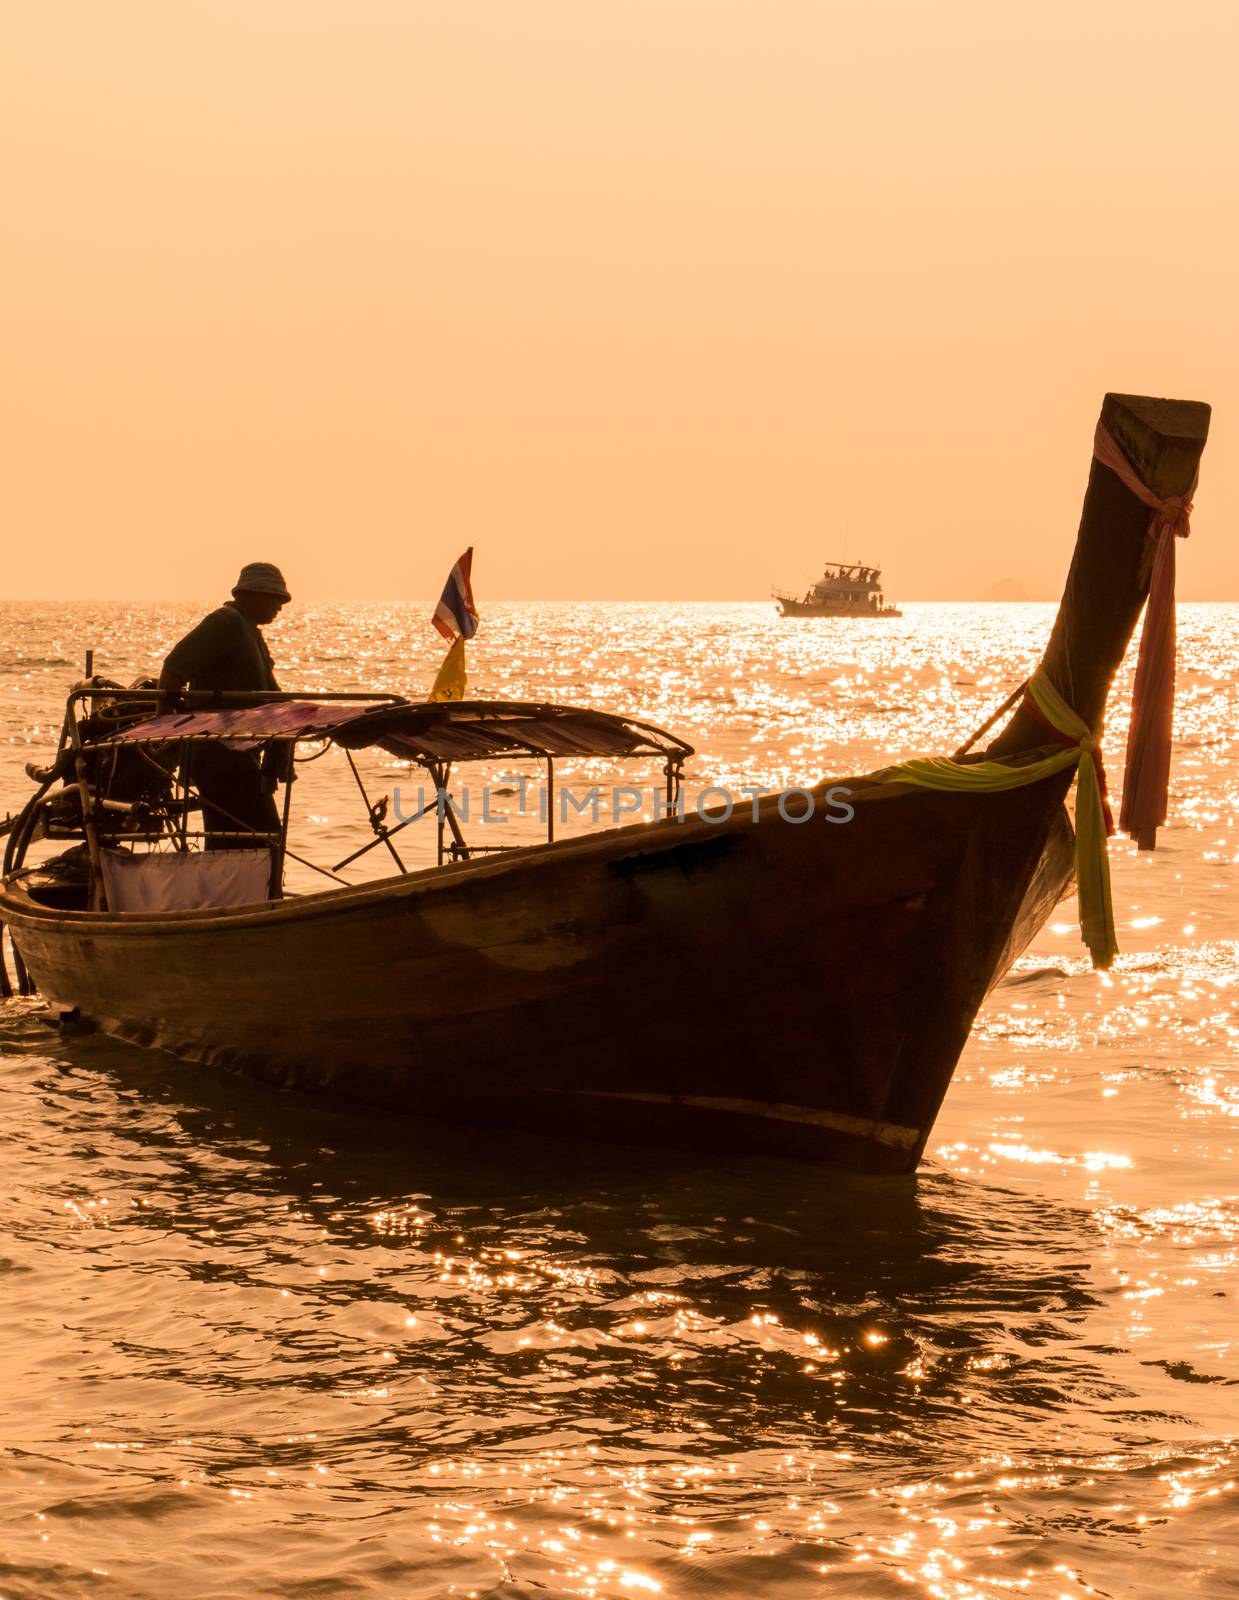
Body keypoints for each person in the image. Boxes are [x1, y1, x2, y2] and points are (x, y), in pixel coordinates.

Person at [159, 563, 292, 850]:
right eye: (274, 599)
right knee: (256, 835)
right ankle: (243, 891)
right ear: (250, 594)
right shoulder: (224, 622)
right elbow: (172, 670)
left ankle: (244, 890)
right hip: (216, 752)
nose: (279, 607)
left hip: (241, 751)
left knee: (242, 834)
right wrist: (165, 725)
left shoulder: (251, 633)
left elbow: (272, 695)